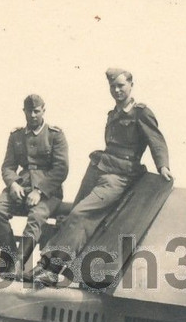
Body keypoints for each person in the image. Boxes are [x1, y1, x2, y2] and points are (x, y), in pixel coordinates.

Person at [33, 68, 172, 283]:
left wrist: (163, 166)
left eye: (121, 86)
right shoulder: (113, 114)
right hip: (99, 168)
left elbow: (156, 141)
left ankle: (53, 268)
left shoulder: (141, 112)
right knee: (71, 216)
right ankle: (47, 266)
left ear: (131, 84)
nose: (116, 90)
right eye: (113, 87)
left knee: (82, 214)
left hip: (120, 176)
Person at [0, 94, 69, 275]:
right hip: (21, 186)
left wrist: (40, 191)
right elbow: (8, 166)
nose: (32, 115)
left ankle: (18, 264)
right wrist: (13, 184)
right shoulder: (16, 136)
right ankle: (10, 256)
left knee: (36, 217)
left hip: (49, 191)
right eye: (29, 111)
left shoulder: (55, 135)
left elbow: (61, 169)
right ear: (24, 111)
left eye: (36, 111)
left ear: (43, 111)